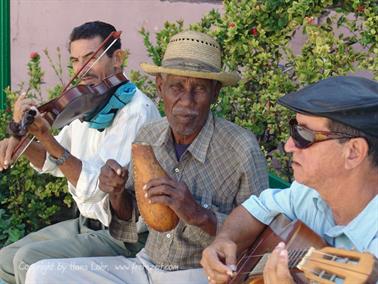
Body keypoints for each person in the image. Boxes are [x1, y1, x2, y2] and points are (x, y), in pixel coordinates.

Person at [24, 30, 269, 284]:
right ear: (160, 87)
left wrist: (198, 214)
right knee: (40, 273)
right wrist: (117, 192)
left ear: (215, 93)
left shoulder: (241, 147)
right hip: (145, 267)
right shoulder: (149, 134)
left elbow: (262, 237)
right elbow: (128, 219)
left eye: (199, 89)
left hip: (199, 274)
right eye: (176, 87)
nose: (186, 101)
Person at [0, 21, 160, 284]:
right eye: (75, 61)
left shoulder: (135, 112)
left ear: (117, 58)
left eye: (91, 58)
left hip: (123, 237)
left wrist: (46, 137)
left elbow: (99, 186)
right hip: (86, 225)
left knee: (28, 261)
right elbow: (53, 161)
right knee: (5, 259)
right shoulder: (88, 103)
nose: (81, 70)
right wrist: (22, 135)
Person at [200, 76, 378, 284]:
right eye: (294, 129)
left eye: (304, 134)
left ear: (353, 152)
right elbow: (257, 208)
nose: (288, 145)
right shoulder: (306, 193)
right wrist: (225, 240)